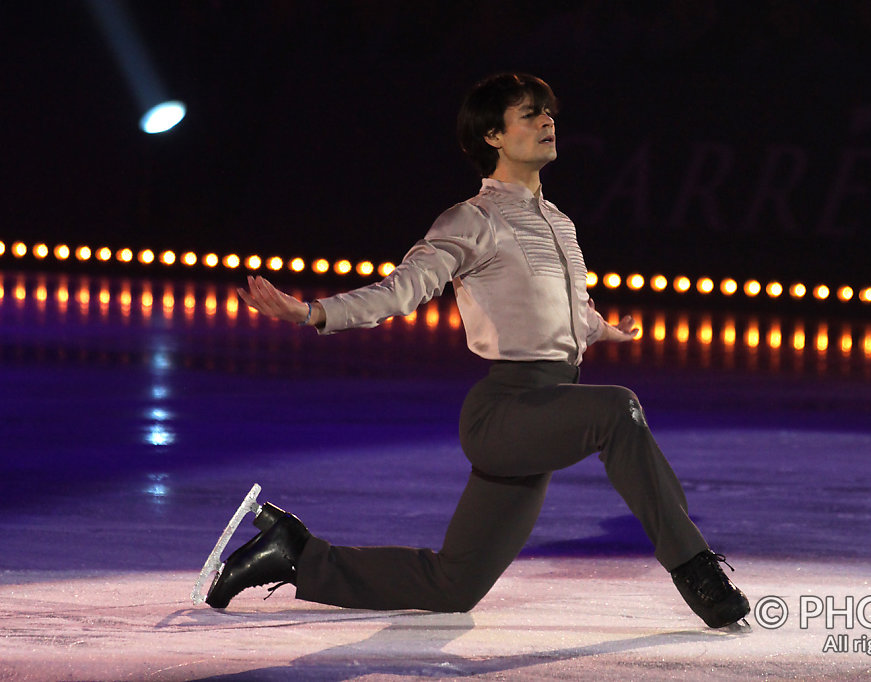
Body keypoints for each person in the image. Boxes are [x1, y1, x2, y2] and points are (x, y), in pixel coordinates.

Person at [208, 73, 750, 629]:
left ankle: (296, 554)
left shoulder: (559, 223)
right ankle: (696, 570)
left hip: (547, 409)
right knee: (618, 410)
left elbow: (563, 310)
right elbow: (404, 288)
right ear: (492, 135)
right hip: (507, 411)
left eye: (550, 113)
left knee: (454, 584)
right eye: (531, 114)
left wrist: (601, 328)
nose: (548, 122)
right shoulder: (473, 219)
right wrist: (312, 312)